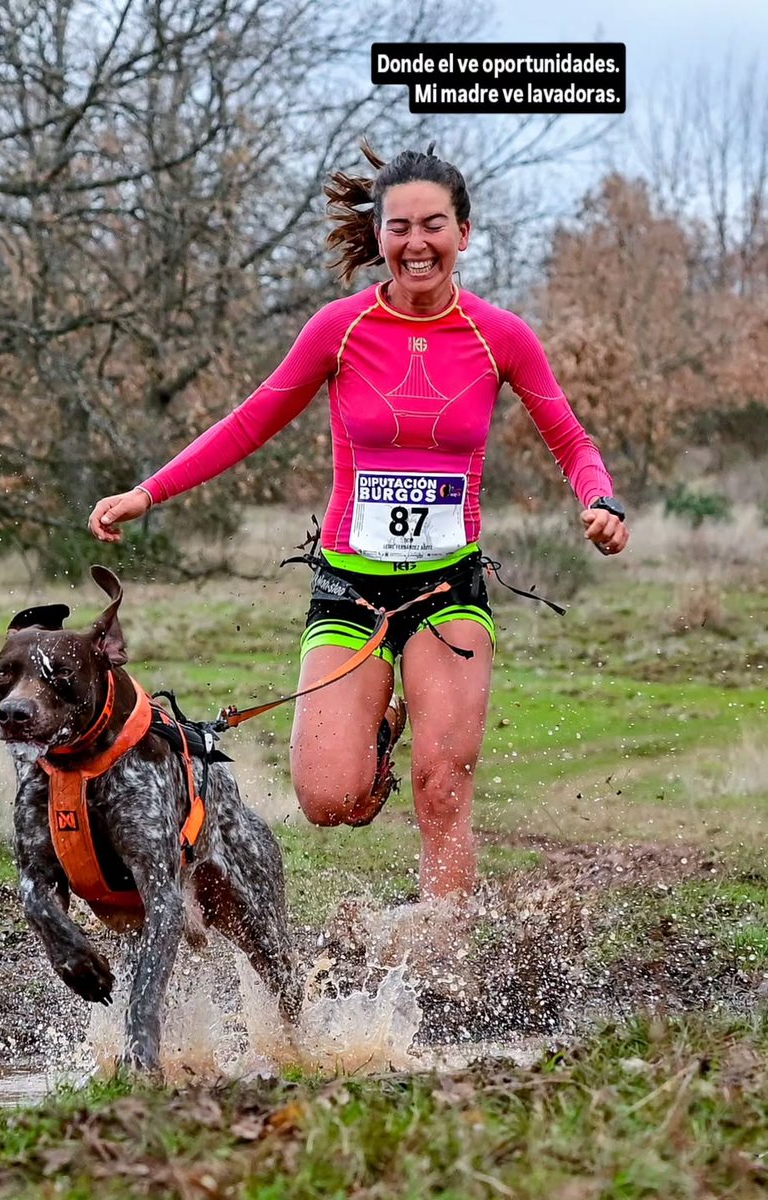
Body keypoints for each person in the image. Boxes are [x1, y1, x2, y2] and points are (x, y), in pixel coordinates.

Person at [89, 143, 629, 901]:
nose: (417, 243)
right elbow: (251, 421)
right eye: (399, 226)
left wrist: (598, 499)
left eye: (434, 225)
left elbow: (571, 438)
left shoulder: (499, 336)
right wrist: (150, 492)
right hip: (350, 586)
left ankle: (448, 964)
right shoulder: (339, 330)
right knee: (327, 800)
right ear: (379, 236)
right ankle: (376, 732)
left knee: (442, 789)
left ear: (464, 235)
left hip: (448, 591)